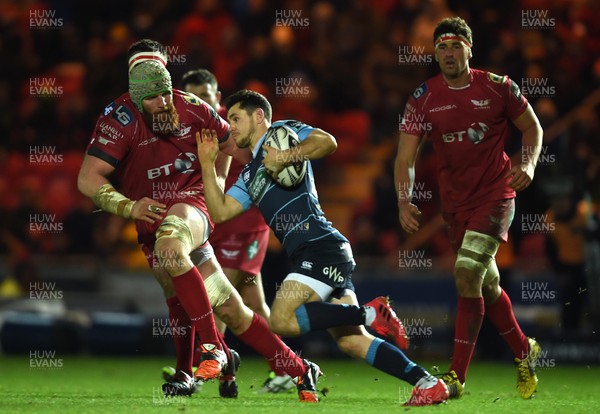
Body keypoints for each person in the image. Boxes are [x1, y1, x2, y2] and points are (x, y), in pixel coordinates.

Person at [77, 39, 327, 402]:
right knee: (226, 307)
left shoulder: (192, 107)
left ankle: (213, 350)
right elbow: (88, 177)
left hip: (191, 205)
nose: (164, 102)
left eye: (165, 92)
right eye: (153, 98)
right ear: (134, 97)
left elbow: (239, 148)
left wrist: (282, 158)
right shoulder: (118, 119)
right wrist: (128, 207)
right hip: (149, 216)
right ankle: (299, 369)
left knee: (171, 245)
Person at [196, 89, 449, 406]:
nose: (230, 125)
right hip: (317, 251)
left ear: (258, 116)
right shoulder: (249, 174)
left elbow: (328, 142)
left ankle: (370, 312)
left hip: (319, 246)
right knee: (352, 341)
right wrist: (208, 164)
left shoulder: (281, 132)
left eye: (235, 118)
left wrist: (287, 156)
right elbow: (220, 212)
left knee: (281, 319)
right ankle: (427, 382)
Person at [394, 17, 544, 400]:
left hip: (496, 195)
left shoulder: (498, 87)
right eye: (442, 46)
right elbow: (405, 156)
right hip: (455, 205)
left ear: (469, 49)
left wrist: (526, 164)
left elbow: (533, 127)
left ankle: (456, 377)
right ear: (435, 53)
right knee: (487, 285)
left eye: (456, 45)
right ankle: (525, 352)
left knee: (464, 273)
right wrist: (403, 198)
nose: (448, 53)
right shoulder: (422, 97)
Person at [179, 68, 294, 393]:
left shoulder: (230, 128)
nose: (198, 101)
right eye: (191, 96)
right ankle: (284, 367)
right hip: (216, 221)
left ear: (216, 97)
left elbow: (260, 162)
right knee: (252, 303)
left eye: (204, 96)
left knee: (217, 294)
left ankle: (206, 366)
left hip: (243, 223)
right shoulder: (187, 130)